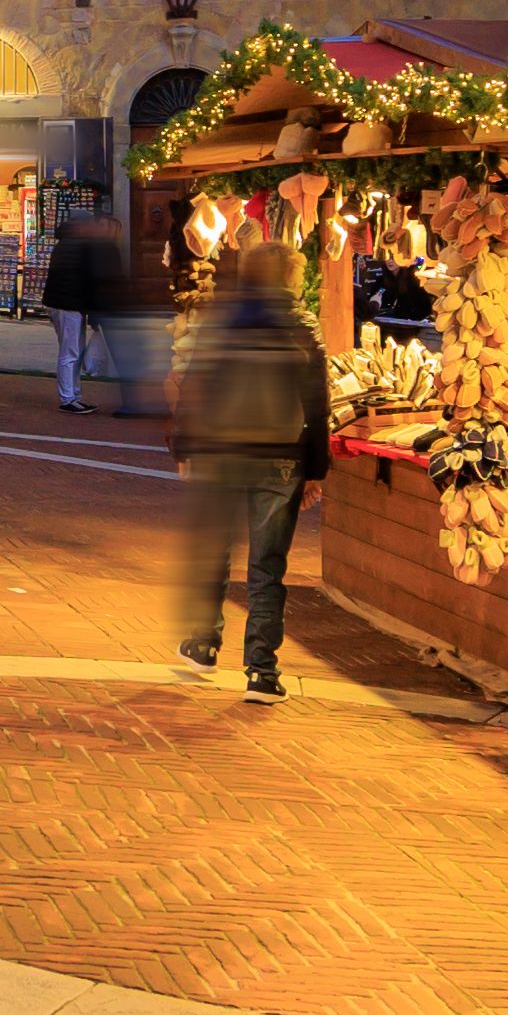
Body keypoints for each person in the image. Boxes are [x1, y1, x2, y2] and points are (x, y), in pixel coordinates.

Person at [169, 241, 325, 700]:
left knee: (214, 551)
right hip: (281, 457)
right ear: (292, 279)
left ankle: (202, 643)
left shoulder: (224, 321)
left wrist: (186, 446)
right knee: (267, 566)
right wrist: (315, 468)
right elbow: (318, 404)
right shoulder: (303, 327)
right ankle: (262, 671)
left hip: (223, 453)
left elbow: (197, 384)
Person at [44, 188, 128, 414]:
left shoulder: (66, 243)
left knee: (72, 351)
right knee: (70, 352)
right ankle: (68, 398)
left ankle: (74, 395)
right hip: (68, 304)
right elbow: (85, 278)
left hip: (65, 303)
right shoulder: (79, 245)